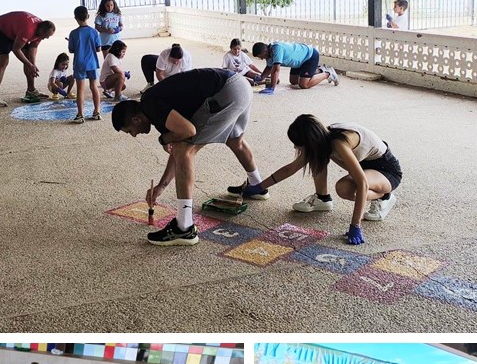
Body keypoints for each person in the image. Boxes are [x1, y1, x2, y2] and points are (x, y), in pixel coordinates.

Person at [111, 69, 267, 246]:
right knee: (235, 140)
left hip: (225, 92)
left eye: (130, 131)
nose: (133, 135)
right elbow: (177, 147)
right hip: (240, 86)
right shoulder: (153, 106)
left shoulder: (151, 106)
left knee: (186, 150)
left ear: (135, 120)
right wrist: (162, 185)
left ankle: (184, 228)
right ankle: (257, 186)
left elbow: (188, 133)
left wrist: (164, 138)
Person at [243, 115, 401, 246]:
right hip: (364, 167)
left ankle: (384, 196)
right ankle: (322, 198)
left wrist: (355, 226)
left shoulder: (340, 143)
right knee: (316, 156)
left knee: (345, 188)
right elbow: (290, 168)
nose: (296, 148)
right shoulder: (321, 138)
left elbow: (362, 183)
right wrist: (259, 186)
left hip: (386, 171)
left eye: (298, 145)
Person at [0, 11, 56, 106]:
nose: (47, 38)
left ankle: (31, 90)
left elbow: (33, 47)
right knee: (3, 61)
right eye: (46, 36)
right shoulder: (28, 30)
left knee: (28, 59)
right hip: (1, 29)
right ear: (41, 31)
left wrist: (32, 64)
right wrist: (29, 65)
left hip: (16, 29)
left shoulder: (40, 31)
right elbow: (16, 49)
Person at [250, 41, 338, 92]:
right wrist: (261, 77)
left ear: (264, 51)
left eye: (260, 56)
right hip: (298, 62)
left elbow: (276, 70)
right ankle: (319, 70)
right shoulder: (268, 55)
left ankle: (328, 73)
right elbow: (269, 68)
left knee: (304, 84)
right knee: (293, 82)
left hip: (309, 56)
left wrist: (272, 88)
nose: (261, 59)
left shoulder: (276, 49)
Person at [68, 6, 103, 123]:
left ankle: (80, 114)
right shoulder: (94, 32)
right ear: (88, 16)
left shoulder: (73, 33)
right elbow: (98, 49)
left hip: (79, 63)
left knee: (80, 90)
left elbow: (71, 50)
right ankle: (97, 112)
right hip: (92, 63)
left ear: (75, 18)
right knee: (94, 87)